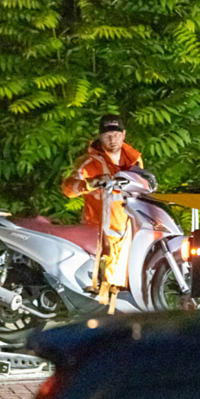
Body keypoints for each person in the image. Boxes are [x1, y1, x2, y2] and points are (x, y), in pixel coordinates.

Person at [62, 114, 143, 294]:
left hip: (128, 233)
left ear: (123, 135)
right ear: (100, 137)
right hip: (97, 235)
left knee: (124, 289)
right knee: (101, 288)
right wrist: (88, 184)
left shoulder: (135, 161)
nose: (112, 139)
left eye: (116, 134)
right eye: (107, 136)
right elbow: (68, 189)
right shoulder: (89, 163)